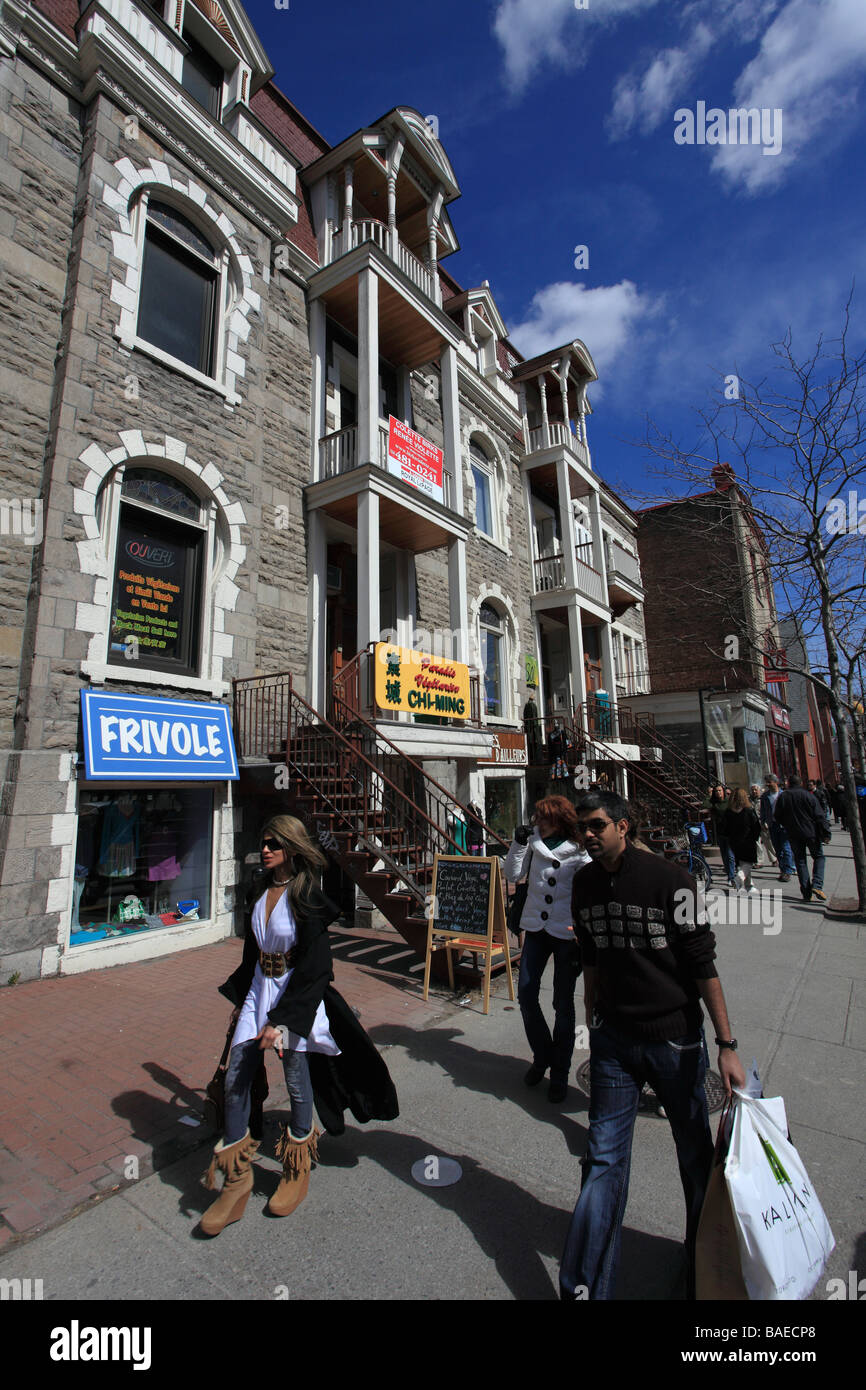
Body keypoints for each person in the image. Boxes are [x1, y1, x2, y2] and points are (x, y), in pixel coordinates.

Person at [560, 790, 745, 1301]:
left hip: (675, 1040)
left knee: (692, 1152)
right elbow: (591, 953)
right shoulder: (584, 883)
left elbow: (702, 964)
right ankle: (588, 1286)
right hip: (614, 1042)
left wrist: (726, 1043)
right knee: (602, 1160)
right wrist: (591, 1016)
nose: (589, 836)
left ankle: (705, 1264)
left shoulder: (672, 881)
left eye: (597, 825)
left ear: (624, 825)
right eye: (583, 828)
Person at [201, 815, 398, 1236]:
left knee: (295, 1077)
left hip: (294, 994)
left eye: (274, 842)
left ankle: (296, 1168)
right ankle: (236, 1182)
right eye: (263, 841)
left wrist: (282, 1020)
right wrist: (244, 1005)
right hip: (259, 988)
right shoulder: (260, 888)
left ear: (291, 847)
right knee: (237, 1077)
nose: (266, 848)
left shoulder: (305, 894)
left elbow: (316, 967)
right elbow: (252, 955)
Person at [503, 795, 590, 1103]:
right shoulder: (535, 841)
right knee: (526, 992)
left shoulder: (580, 850)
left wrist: (583, 928)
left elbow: (590, 887)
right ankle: (542, 1055)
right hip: (536, 928)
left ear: (559, 820)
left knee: (562, 1004)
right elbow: (512, 875)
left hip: (565, 932)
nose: (537, 821)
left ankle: (560, 1072)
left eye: (543, 817)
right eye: (537, 817)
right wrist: (518, 844)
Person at [773, 776, 828, 903]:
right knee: (819, 857)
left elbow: (777, 816)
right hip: (811, 832)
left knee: (800, 861)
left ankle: (806, 892)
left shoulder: (783, 797)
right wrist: (826, 833)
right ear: (801, 783)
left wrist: (787, 824)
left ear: (789, 784)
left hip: (793, 833)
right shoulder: (808, 796)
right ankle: (817, 885)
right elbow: (819, 815)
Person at [721, 786, 761, 892]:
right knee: (747, 863)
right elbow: (756, 826)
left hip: (734, 842)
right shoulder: (748, 811)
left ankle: (749, 885)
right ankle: (739, 878)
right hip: (748, 840)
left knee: (742, 862)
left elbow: (724, 828)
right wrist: (755, 837)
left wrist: (729, 837)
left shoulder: (728, 812)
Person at [760, 776, 794, 882]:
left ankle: (788, 871)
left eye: (769, 782)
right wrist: (763, 822)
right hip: (772, 825)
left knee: (786, 848)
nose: (767, 784)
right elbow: (763, 810)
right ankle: (782, 870)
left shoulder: (784, 794)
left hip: (784, 825)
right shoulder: (765, 796)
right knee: (778, 849)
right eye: (766, 782)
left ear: (776, 782)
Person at [703, 783, 736, 886]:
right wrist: (709, 794)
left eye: (720, 790)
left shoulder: (729, 802)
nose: (718, 793)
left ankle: (731, 877)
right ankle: (729, 872)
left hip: (731, 832)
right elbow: (705, 805)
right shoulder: (714, 803)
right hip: (720, 832)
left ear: (723, 791)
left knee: (730, 856)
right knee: (725, 855)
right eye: (716, 791)